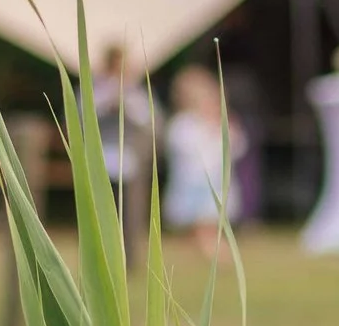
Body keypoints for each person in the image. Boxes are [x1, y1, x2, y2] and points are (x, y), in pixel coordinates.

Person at [162, 65, 241, 258]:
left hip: (212, 179)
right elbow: (184, 148)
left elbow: (235, 145)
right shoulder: (183, 125)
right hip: (194, 180)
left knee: (206, 224)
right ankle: (217, 254)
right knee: (200, 225)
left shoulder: (217, 124)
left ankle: (216, 254)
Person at [90, 39, 155, 262]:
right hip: (103, 157)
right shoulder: (96, 88)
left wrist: (125, 102)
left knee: (130, 212)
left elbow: (146, 119)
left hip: (129, 158)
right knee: (103, 211)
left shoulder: (135, 91)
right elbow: (85, 115)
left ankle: (130, 257)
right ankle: (104, 255)